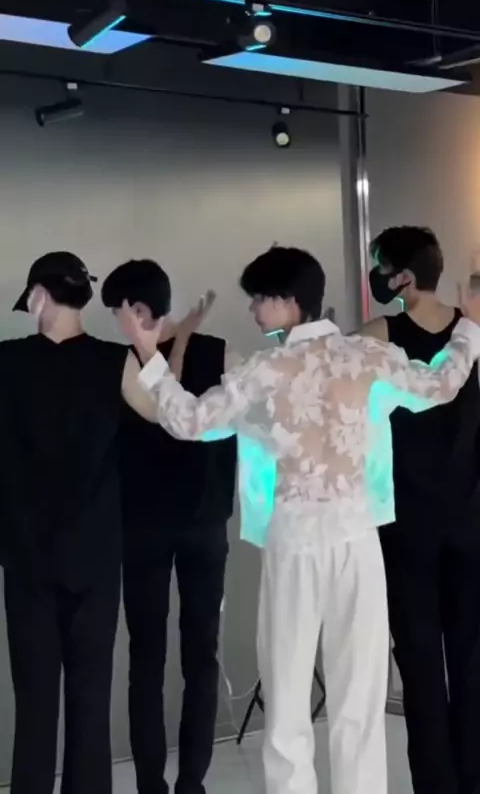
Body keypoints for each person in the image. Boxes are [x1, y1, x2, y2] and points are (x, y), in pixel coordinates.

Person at [113, 245, 480, 794]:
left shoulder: (263, 371)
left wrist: (150, 355)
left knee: (287, 708)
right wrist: (469, 327)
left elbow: (189, 421)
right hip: (358, 542)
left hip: (294, 545)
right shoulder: (366, 356)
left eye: (259, 299)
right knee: (359, 705)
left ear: (287, 301)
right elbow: (442, 384)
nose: (253, 310)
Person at [0, 251, 159, 794]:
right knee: (91, 699)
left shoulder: (6, 361)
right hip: (95, 555)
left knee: (34, 703)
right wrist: (151, 348)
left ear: (38, 296)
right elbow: (168, 416)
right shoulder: (116, 363)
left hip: (26, 557)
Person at [101, 259, 238, 794]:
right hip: (195, 526)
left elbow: (171, 413)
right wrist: (179, 340)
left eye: (118, 311)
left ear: (138, 310)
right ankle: (186, 785)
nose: (116, 322)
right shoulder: (219, 353)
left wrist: (175, 344)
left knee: (150, 660)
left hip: (149, 528)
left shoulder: (125, 364)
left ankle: (156, 786)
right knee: (195, 657)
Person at [361, 225, 480, 794]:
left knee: (420, 664)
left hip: (405, 524)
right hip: (470, 519)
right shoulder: (471, 331)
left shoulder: (376, 336)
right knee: (472, 660)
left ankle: (436, 785)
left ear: (402, 277)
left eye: (381, 265)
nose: (377, 276)